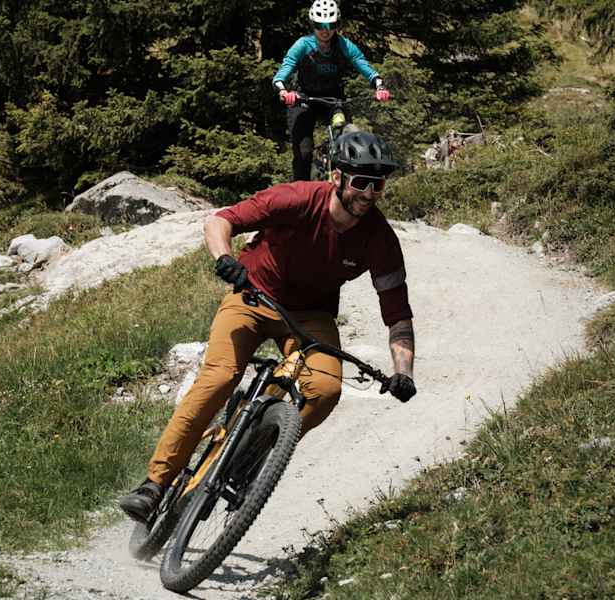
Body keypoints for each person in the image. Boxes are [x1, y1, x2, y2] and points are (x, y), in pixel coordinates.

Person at [118, 132, 416, 522]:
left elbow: (398, 316)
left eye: (378, 184)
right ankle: (155, 485)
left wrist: (403, 373)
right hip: (252, 297)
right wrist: (225, 258)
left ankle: (250, 454)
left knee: (325, 390)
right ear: (337, 176)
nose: (370, 193)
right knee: (220, 376)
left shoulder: (380, 239)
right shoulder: (295, 198)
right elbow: (221, 220)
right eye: (361, 182)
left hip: (310, 317)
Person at [272, 0, 392, 181]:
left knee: (349, 138)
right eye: (320, 25)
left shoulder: (344, 45)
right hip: (304, 99)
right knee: (303, 153)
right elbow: (284, 70)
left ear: (337, 25)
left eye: (331, 24)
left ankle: (348, 187)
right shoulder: (303, 45)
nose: (325, 30)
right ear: (313, 24)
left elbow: (363, 64)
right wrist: (283, 91)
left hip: (334, 99)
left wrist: (379, 86)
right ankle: (301, 194)